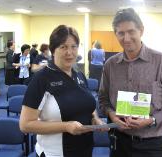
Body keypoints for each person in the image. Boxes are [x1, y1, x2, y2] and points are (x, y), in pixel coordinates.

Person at [99, 8, 162, 157]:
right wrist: (112, 114)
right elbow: (103, 99)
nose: (126, 38)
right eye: (121, 33)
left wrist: (152, 120)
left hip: (152, 145)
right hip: (119, 143)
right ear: (116, 34)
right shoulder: (110, 65)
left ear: (141, 30)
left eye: (131, 31)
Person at [19, 25, 107, 157]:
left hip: (84, 151)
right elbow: (25, 125)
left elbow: (87, 104)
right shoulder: (42, 79)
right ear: (53, 50)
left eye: (74, 46)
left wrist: (95, 119)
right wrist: (65, 126)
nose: (69, 52)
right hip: (55, 153)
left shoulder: (79, 75)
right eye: (63, 47)